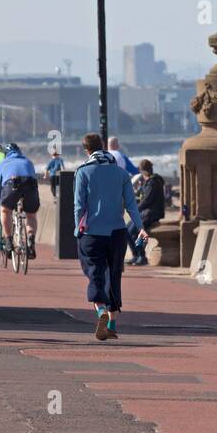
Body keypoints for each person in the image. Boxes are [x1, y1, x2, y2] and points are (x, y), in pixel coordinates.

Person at [74, 133, 141, 340]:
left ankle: (101, 311)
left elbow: (79, 205)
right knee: (114, 275)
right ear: (103, 146)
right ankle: (111, 324)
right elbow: (131, 204)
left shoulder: (83, 172)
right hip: (117, 233)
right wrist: (140, 227)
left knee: (95, 273)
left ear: (86, 150)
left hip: (92, 233)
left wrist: (78, 228)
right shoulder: (120, 173)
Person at [127, 159, 167, 266]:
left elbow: (147, 200)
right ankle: (136, 255)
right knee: (127, 230)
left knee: (135, 232)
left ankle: (141, 256)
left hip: (151, 213)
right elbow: (142, 198)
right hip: (146, 212)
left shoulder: (153, 182)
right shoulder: (149, 182)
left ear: (142, 171)